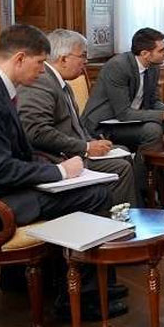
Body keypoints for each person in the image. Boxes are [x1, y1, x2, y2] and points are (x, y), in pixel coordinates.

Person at [0, 24, 126, 320]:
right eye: (40, 62)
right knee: (95, 195)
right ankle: (81, 298)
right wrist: (59, 172)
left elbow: (15, 153)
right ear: (19, 58)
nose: (43, 70)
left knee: (86, 188)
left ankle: (49, 281)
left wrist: (54, 168)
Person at [17, 29, 138, 206]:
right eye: (82, 55)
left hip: (72, 150)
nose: (86, 61)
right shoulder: (41, 81)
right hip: (57, 158)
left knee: (122, 152)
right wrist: (86, 147)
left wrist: (92, 142)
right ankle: (117, 217)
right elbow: (36, 132)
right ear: (63, 59)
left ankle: (128, 212)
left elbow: (74, 125)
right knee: (120, 167)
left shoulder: (61, 82)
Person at [81, 28, 164, 200]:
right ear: (145, 54)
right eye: (161, 50)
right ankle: (142, 190)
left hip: (133, 120)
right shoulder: (118, 66)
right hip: (105, 125)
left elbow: (153, 102)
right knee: (152, 130)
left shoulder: (153, 67)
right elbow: (123, 114)